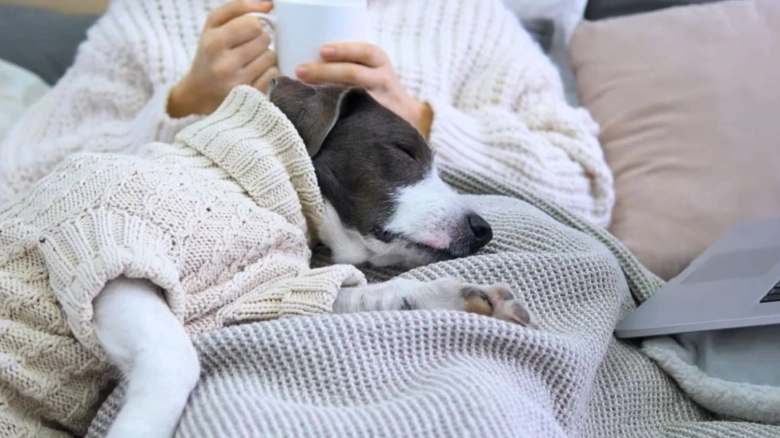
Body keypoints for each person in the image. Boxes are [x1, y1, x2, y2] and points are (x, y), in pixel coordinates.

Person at [0, 0, 614, 227]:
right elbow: (20, 184)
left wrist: (419, 124)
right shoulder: (155, 14)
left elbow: (586, 194)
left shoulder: (466, 16)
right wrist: (185, 106)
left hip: (433, 289)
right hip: (210, 291)